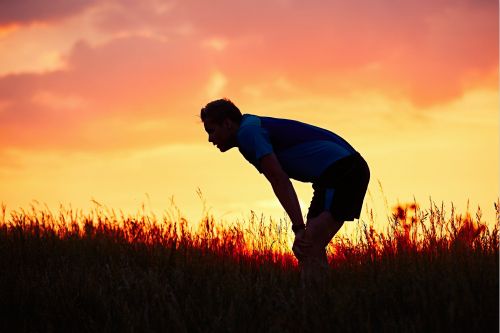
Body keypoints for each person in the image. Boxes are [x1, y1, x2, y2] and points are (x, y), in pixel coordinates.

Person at [200, 98, 370, 275]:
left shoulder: (248, 132)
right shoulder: (248, 132)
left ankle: (318, 299)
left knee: (308, 245)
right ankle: (318, 298)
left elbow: (278, 179)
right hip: (331, 176)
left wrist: (298, 227)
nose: (210, 139)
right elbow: (279, 179)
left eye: (211, 131)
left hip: (344, 170)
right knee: (308, 248)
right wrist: (299, 227)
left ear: (227, 123)